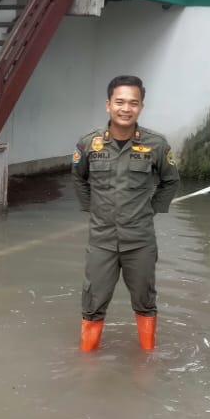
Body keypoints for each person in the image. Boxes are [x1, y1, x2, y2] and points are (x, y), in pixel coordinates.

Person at [73, 75, 180, 352]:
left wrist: (151, 209)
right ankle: (87, 360)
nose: (126, 108)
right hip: (102, 240)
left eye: (133, 103)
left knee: (145, 300)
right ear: (108, 104)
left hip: (140, 240)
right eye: (119, 102)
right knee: (93, 301)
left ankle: (146, 359)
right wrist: (93, 209)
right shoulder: (89, 144)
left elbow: (170, 181)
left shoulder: (156, 144)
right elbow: (78, 178)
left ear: (141, 107)